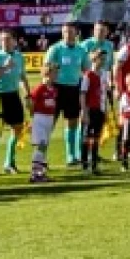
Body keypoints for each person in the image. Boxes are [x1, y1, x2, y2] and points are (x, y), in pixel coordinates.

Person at [44, 23, 90, 168]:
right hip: (57, 89)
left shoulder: (81, 50)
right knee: (49, 124)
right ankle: (42, 157)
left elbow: (86, 70)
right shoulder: (55, 49)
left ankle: (71, 156)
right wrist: (47, 88)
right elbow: (45, 69)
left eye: (70, 32)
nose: (67, 34)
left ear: (76, 33)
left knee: (72, 122)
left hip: (73, 89)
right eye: (64, 32)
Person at [0, 30, 28, 177]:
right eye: (1, 39)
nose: (4, 42)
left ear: (14, 41)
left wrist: (28, 94)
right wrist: (5, 67)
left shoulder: (19, 56)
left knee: (18, 129)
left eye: (7, 39)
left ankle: (9, 163)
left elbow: (22, 77)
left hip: (13, 95)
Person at [28, 66, 58, 183]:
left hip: (49, 119)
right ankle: (35, 173)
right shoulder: (40, 88)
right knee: (41, 145)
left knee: (44, 146)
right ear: (48, 73)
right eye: (55, 73)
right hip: (40, 117)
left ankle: (41, 172)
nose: (56, 75)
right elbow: (30, 101)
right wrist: (33, 115)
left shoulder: (54, 89)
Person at [79, 57, 107, 175]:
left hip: (100, 110)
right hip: (90, 110)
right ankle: (85, 164)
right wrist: (84, 112)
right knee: (87, 137)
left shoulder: (104, 75)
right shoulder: (88, 75)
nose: (102, 61)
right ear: (94, 60)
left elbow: (104, 93)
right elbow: (82, 94)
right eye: (100, 59)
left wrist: (104, 109)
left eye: (103, 59)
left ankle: (94, 165)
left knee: (96, 137)